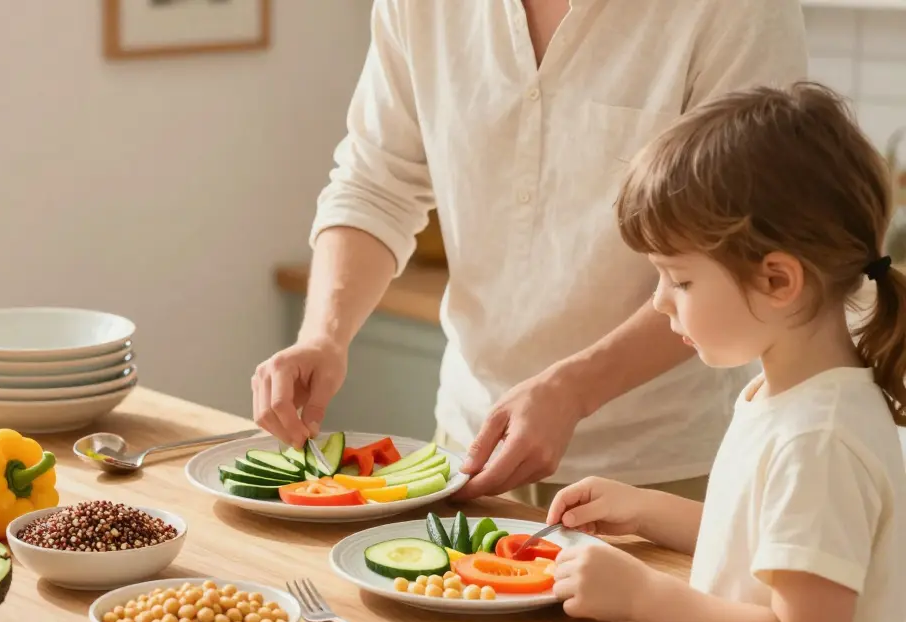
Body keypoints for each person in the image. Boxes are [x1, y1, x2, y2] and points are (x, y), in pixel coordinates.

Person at [251, 1, 809, 508]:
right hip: (469, 447)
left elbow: (741, 252)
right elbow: (377, 182)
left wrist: (574, 389)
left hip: (667, 470)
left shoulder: (739, 10)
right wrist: (325, 334)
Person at [546, 82, 906, 622]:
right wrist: (647, 511)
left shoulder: (818, 441)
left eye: (679, 279)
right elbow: (767, 549)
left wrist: (643, 595)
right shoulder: (785, 398)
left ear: (777, 280)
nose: (659, 302)